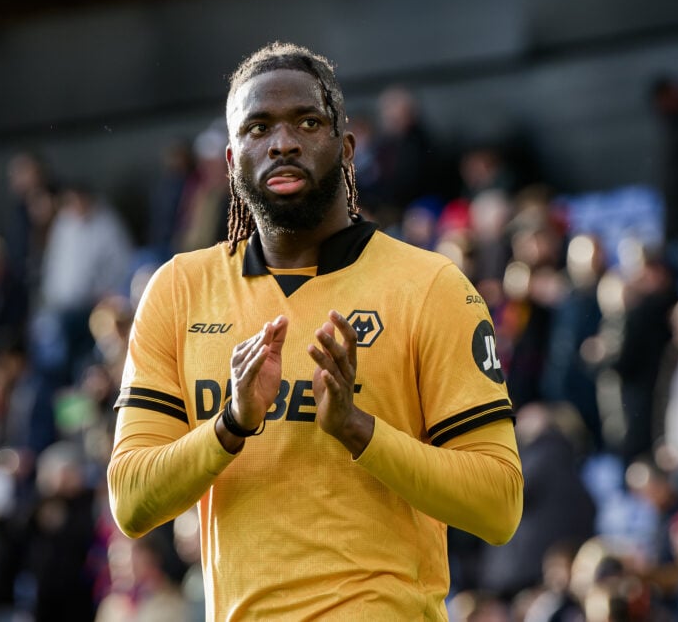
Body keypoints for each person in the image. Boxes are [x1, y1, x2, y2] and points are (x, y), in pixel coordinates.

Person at [107, 42, 523, 619]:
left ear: (346, 149)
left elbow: (498, 507)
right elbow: (130, 501)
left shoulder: (432, 287)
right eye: (258, 127)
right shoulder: (178, 290)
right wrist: (231, 424)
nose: (282, 142)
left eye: (307, 121)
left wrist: (357, 430)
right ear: (231, 162)